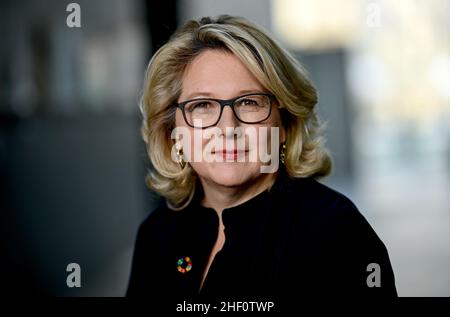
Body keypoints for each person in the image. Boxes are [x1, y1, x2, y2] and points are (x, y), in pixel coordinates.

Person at [127, 15, 397, 305]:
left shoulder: (337, 232)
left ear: (284, 123)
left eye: (249, 102)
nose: (228, 128)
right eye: (202, 105)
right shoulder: (156, 234)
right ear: (173, 130)